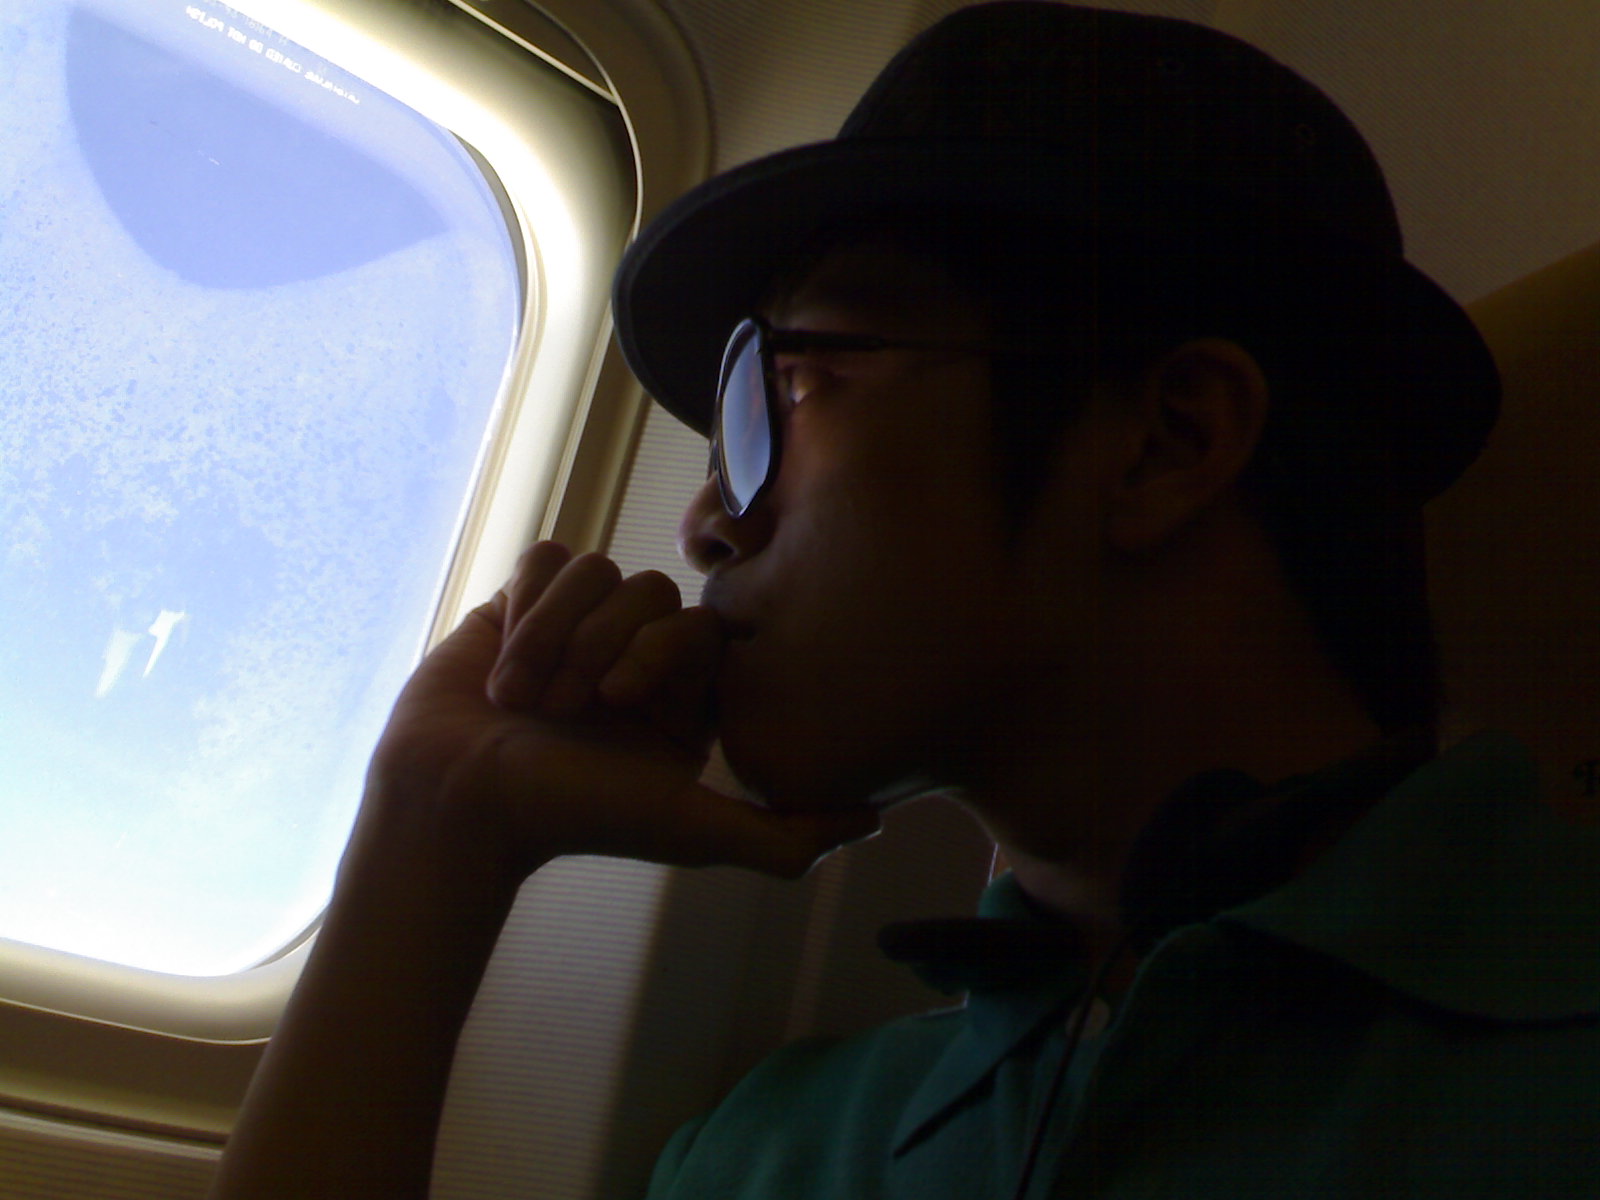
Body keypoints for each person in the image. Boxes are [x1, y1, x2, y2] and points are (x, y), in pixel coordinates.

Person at [207, 4, 1599, 1198]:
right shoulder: (774, 1151)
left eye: (790, 390)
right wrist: (432, 833)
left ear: (1166, 442)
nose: (703, 524)